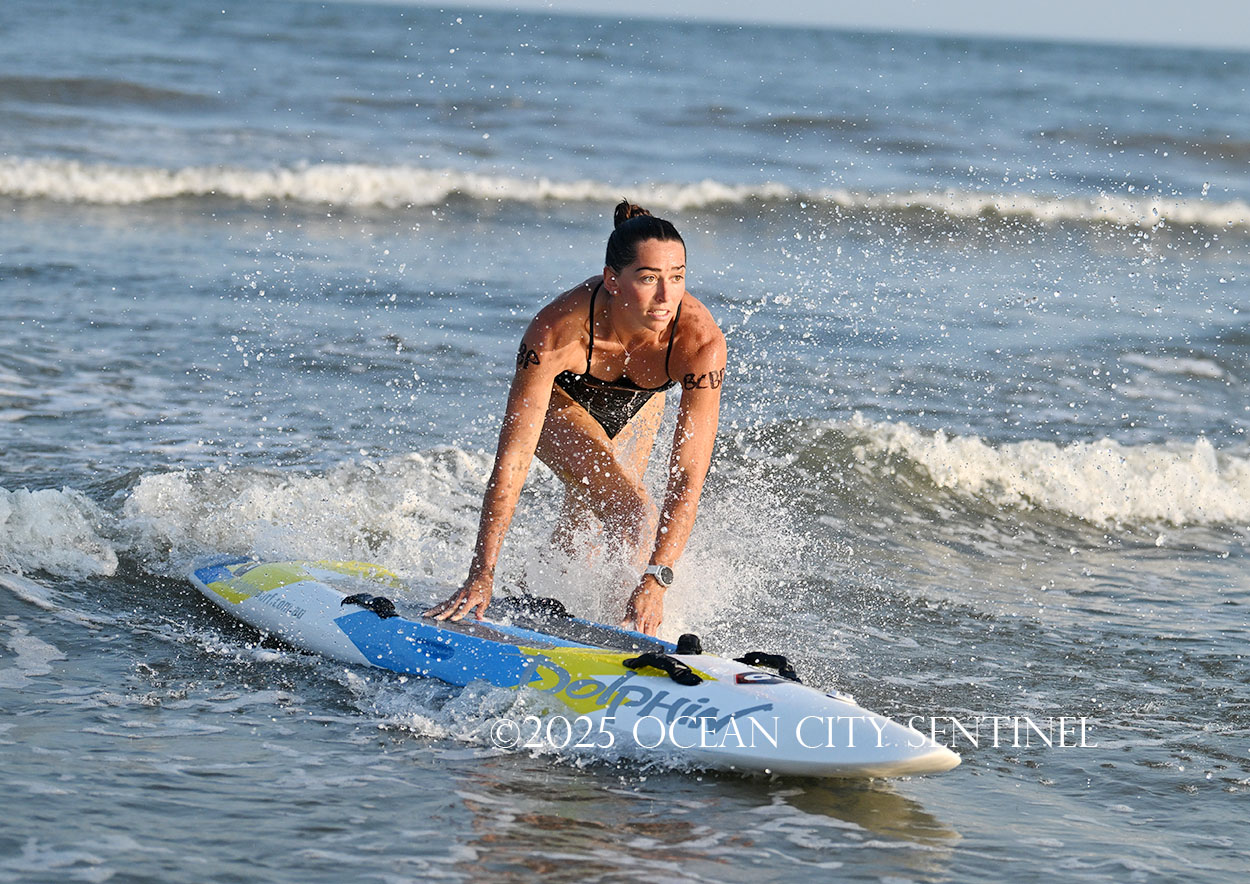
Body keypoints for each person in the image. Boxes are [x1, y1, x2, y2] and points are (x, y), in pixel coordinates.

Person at [424, 200, 727, 636]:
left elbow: (688, 474)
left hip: (640, 402)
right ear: (612, 280)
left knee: (587, 525)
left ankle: (546, 598)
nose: (666, 296)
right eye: (648, 278)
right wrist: (481, 572)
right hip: (562, 402)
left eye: (677, 277)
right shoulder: (556, 331)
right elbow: (512, 461)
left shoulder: (699, 344)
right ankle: (627, 630)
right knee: (633, 513)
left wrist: (656, 581)